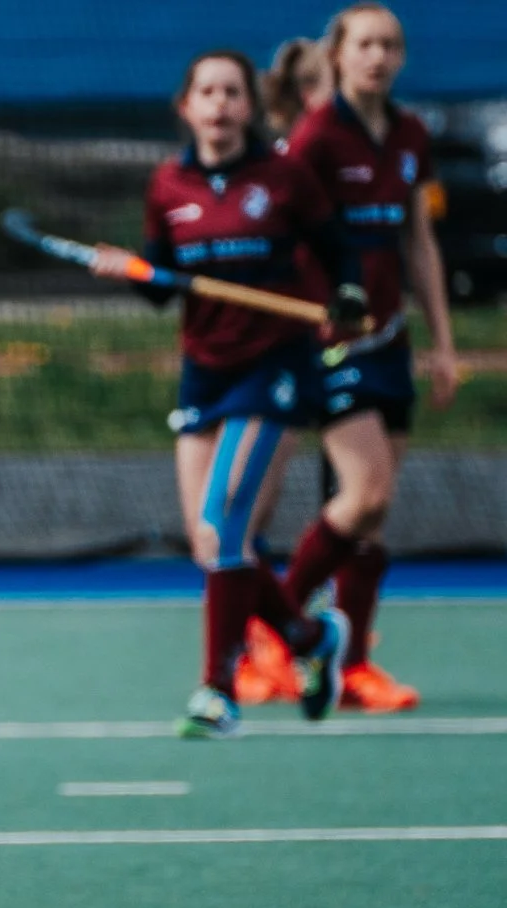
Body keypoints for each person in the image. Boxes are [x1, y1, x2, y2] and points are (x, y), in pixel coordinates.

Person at [91, 51, 356, 738]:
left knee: (225, 522)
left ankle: (218, 690)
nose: (219, 103)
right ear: (186, 105)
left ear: (249, 105)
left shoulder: (284, 178)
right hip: (204, 370)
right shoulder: (168, 184)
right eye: (207, 91)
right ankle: (306, 637)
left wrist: (345, 299)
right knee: (213, 544)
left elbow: (339, 253)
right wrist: (131, 271)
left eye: (232, 91)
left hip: (274, 365)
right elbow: (163, 285)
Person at [275, 3, 458, 712]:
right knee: (365, 494)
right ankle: (277, 621)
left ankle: (350, 667)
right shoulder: (317, 135)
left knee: (375, 520)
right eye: (364, 45)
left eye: (389, 45)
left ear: (401, 57)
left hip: (392, 341)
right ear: (339, 55)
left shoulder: (411, 134)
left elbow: (419, 242)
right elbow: (281, 226)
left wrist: (442, 343)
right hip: (331, 343)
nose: (377, 57)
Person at [236, 35, 338, 705]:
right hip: (275, 353)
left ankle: (320, 642)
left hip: (341, 345)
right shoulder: (282, 167)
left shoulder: (366, 153)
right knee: (248, 510)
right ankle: (263, 641)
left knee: (356, 502)